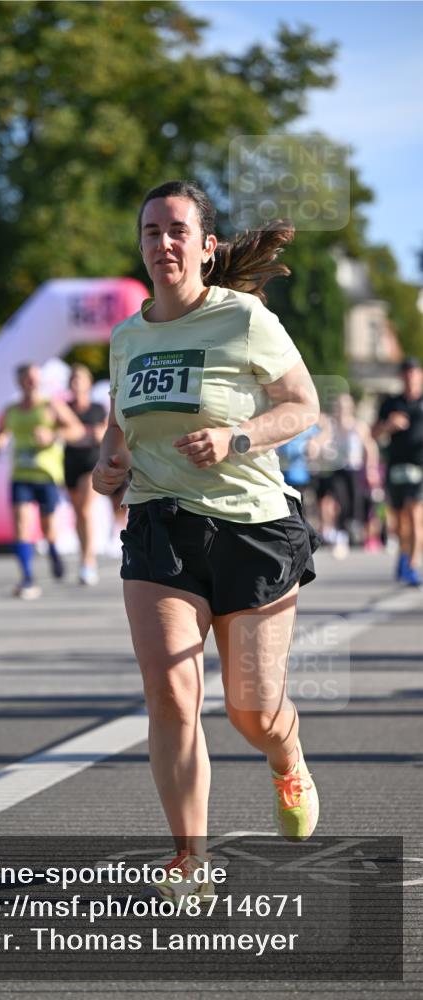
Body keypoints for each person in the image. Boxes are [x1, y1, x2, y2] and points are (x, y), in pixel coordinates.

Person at [92, 180, 321, 898]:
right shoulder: (126, 337)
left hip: (252, 527)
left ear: (206, 245)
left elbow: (303, 406)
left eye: (177, 230)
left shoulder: (242, 318)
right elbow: (119, 426)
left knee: (251, 710)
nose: (163, 242)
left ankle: (286, 756)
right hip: (159, 526)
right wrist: (107, 465)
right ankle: (189, 861)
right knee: (170, 693)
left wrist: (236, 437)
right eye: (150, 231)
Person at [0, 363, 84, 599]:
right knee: (21, 525)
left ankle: (53, 551)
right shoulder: (11, 410)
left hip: (46, 475)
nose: (31, 382)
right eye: (27, 378)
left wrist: (53, 435)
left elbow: (77, 430)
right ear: (19, 381)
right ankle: (27, 578)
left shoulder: (51, 405)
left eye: (35, 378)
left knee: (48, 527)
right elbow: (0, 431)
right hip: (21, 475)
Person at [372, 357, 423, 586]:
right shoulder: (391, 403)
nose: (411, 378)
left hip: (419, 467)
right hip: (396, 468)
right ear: (402, 377)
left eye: (414, 373)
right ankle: (403, 557)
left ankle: (412, 565)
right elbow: (373, 434)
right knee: (400, 521)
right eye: (407, 374)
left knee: (415, 515)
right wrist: (388, 426)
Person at [313, 394, 380, 558]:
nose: (342, 410)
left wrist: (371, 469)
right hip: (337, 469)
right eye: (339, 406)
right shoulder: (332, 426)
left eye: (345, 406)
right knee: (339, 501)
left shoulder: (359, 426)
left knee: (354, 501)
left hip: (354, 469)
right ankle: (340, 536)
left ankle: (353, 528)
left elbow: (370, 447)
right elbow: (321, 439)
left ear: (351, 408)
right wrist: (314, 446)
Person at [64, 364, 108, 585]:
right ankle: (84, 554)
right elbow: (59, 431)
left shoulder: (97, 408)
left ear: (89, 383)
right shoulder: (64, 409)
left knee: (85, 509)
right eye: (73, 379)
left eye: (80, 379)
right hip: (70, 463)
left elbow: (107, 431)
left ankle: (88, 561)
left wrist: (99, 434)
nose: (76, 383)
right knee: (77, 513)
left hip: (91, 463)